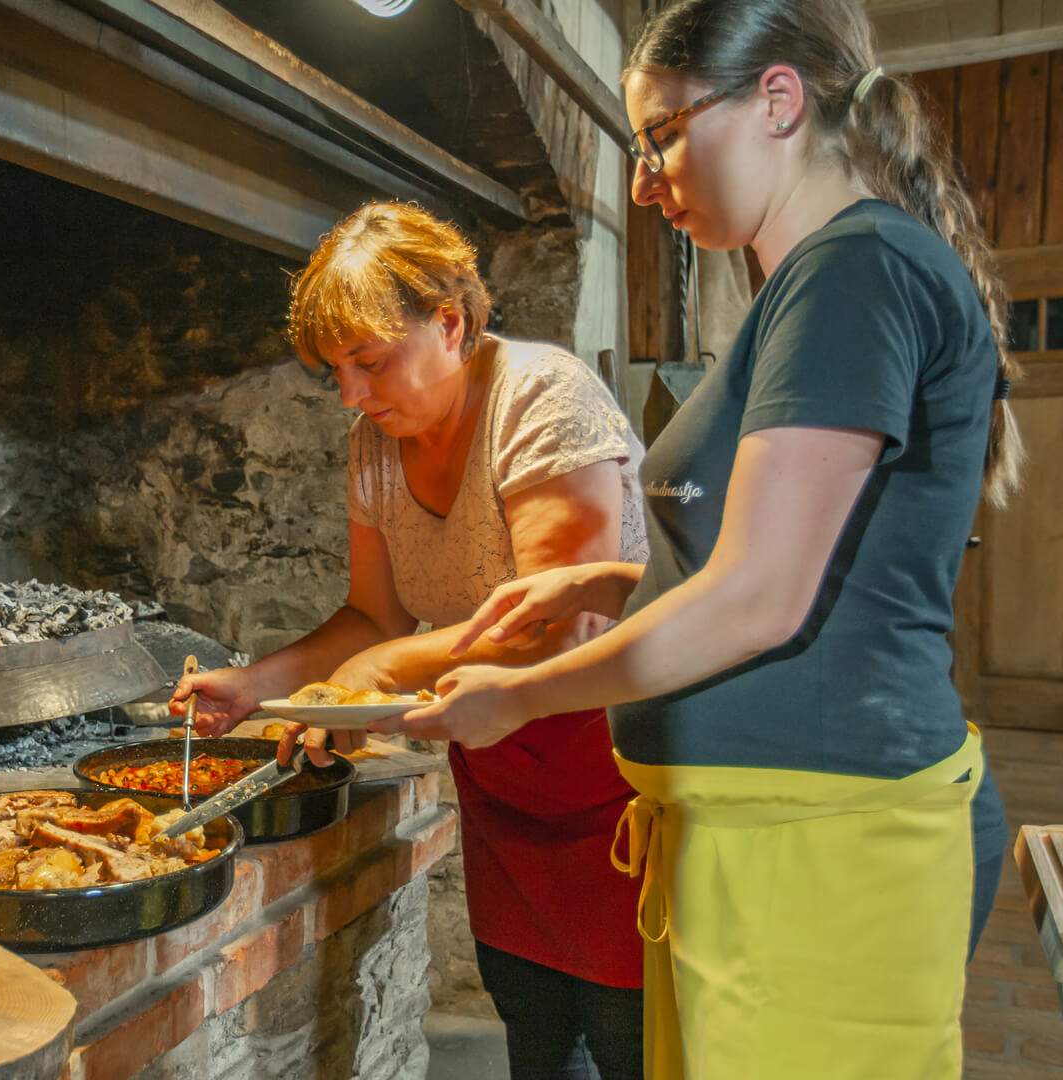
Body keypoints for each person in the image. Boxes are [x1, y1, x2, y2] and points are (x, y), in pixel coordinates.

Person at [381, 2, 1020, 1077]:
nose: (643, 181)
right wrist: (613, 575)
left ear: (778, 101)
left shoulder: (853, 269)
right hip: (766, 831)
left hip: (828, 837)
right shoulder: (805, 284)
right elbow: (816, 553)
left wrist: (520, 696)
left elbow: (763, 595)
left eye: (664, 133)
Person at [171, 201, 652, 1080]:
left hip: (612, 774)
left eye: (369, 362)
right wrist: (255, 683)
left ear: (450, 323)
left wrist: (380, 672)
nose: (352, 395)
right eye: (336, 372)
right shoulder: (375, 446)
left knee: (629, 1035)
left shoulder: (541, 397)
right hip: (502, 775)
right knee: (536, 1027)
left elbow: (554, 629)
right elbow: (373, 618)